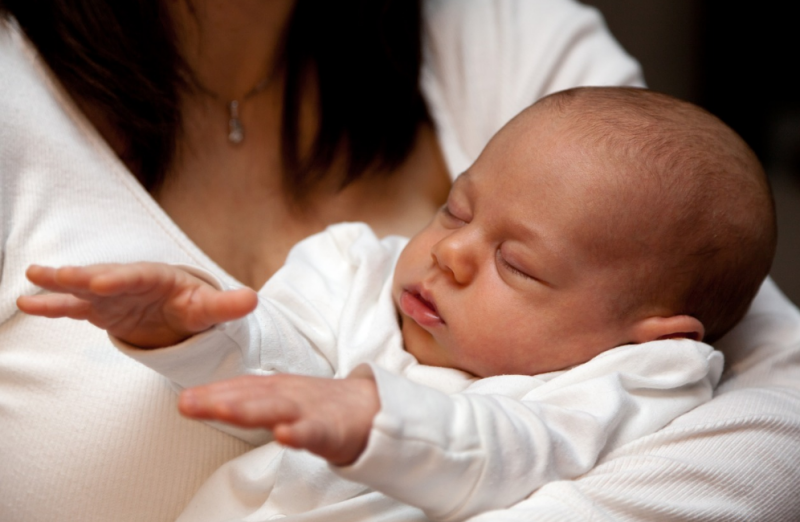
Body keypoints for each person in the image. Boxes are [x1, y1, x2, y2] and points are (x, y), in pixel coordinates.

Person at [1, 1, 799, 521]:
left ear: (653, 333)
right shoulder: (356, 268)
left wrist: (377, 422)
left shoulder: (639, 375)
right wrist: (185, 332)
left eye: (518, 265)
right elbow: (278, 366)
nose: (450, 252)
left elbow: (521, 445)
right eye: (455, 208)